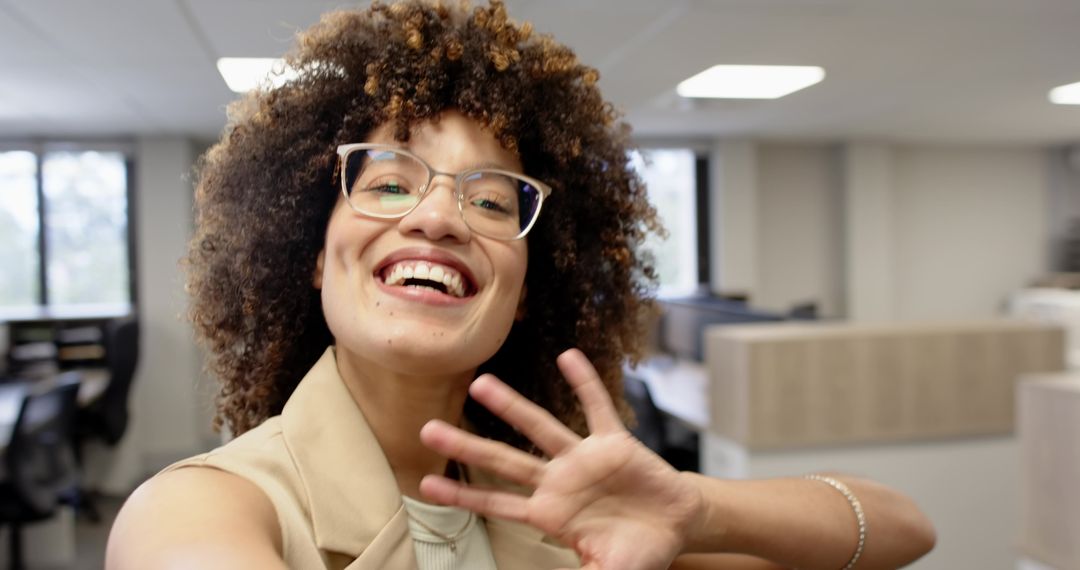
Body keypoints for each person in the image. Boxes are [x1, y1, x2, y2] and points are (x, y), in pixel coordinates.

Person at [107, 1, 936, 568]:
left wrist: (695, 510)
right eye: (389, 182)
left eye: (492, 200)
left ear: (527, 291)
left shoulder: (564, 506)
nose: (438, 216)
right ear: (316, 257)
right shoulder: (201, 510)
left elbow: (903, 526)